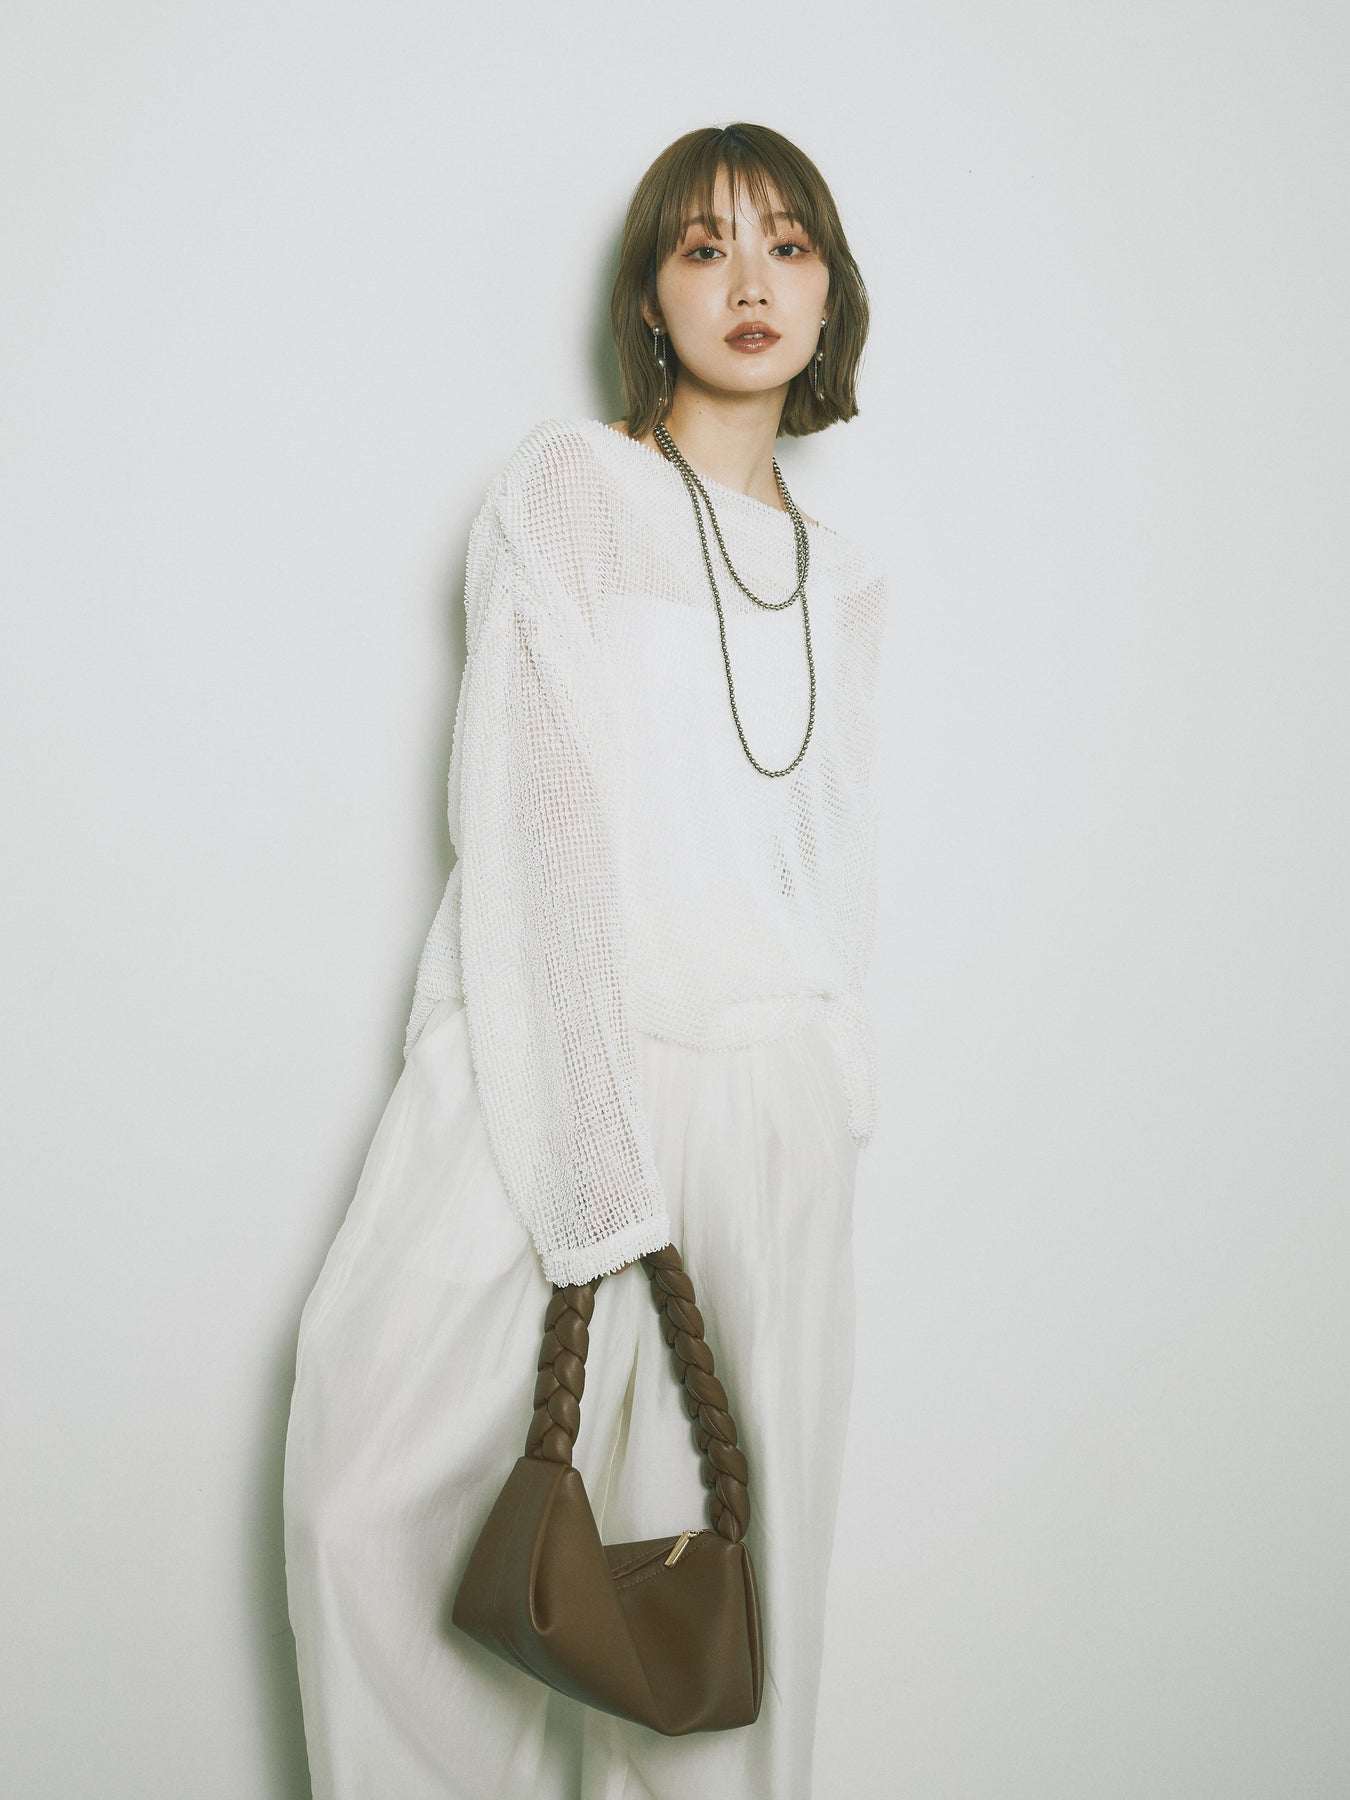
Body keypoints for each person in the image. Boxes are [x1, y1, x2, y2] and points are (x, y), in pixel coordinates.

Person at [283, 120, 887, 1799]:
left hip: (769, 1102)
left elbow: (820, 865)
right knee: (365, 1505)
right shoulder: (571, 489)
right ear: (650, 302)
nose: (748, 279)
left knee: (718, 1607)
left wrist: (829, 1097)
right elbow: (531, 824)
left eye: (784, 244)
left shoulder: (845, 579)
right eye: (703, 247)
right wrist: (599, 1176)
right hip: (560, 1074)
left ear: (829, 296)